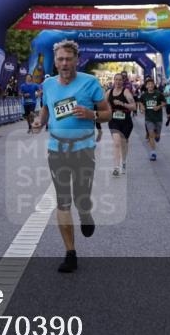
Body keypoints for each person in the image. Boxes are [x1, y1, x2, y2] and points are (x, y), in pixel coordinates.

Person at [32, 41, 111, 273]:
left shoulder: (90, 82)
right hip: (56, 149)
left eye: (68, 59)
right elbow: (46, 108)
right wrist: (39, 121)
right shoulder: (48, 84)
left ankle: (85, 214)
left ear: (77, 60)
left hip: (84, 149)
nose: (64, 63)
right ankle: (70, 253)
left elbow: (107, 113)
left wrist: (91, 114)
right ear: (55, 62)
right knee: (63, 200)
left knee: (81, 199)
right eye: (60, 59)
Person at [105, 72, 135, 176]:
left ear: (123, 81)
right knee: (117, 143)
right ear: (114, 81)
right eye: (116, 79)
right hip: (114, 121)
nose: (118, 82)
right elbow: (103, 104)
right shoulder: (109, 92)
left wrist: (122, 103)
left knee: (123, 144)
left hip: (126, 122)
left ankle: (124, 162)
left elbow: (134, 106)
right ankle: (116, 168)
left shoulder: (126, 92)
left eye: (120, 80)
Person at [138, 76, 165, 161]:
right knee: (151, 135)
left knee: (157, 135)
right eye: (148, 84)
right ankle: (153, 153)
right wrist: (142, 107)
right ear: (146, 86)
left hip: (158, 118)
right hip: (149, 118)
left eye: (151, 84)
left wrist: (159, 106)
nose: (150, 85)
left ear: (154, 85)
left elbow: (164, 103)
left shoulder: (159, 94)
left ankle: (158, 135)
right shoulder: (144, 95)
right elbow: (140, 103)